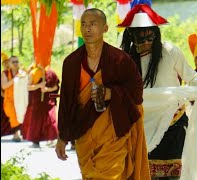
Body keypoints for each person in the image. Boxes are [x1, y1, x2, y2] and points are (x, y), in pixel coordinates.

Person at [55, 8, 150, 180]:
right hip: (84, 133)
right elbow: (66, 101)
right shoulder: (71, 63)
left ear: (105, 28)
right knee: (91, 175)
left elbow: (137, 92)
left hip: (113, 131)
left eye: (93, 24)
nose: (87, 29)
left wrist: (112, 93)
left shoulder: (120, 60)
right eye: (83, 24)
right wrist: (62, 136)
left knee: (111, 174)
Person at [118, 4, 197, 179]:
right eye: (140, 38)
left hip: (172, 122)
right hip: (141, 126)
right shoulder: (124, 59)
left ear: (156, 33)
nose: (146, 43)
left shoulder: (170, 51)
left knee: (173, 174)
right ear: (131, 35)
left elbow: (192, 77)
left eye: (149, 37)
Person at [22, 64, 59, 148]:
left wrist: (47, 89)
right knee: (36, 122)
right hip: (36, 102)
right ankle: (35, 141)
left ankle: (52, 139)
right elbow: (28, 87)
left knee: (51, 119)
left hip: (48, 102)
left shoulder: (51, 72)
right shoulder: (34, 72)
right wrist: (38, 85)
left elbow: (56, 87)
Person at [1, 56, 25, 142]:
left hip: (21, 98)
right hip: (9, 99)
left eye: (16, 62)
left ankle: (17, 134)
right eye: (13, 62)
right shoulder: (5, 73)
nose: (15, 64)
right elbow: (4, 86)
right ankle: (17, 133)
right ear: (9, 64)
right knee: (13, 114)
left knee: (20, 114)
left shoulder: (22, 72)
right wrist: (15, 79)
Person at [1, 52, 14, 137]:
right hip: (3, 97)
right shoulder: (3, 74)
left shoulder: (13, 73)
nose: (6, 65)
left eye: (7, 63)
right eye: (4, 63)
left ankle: (13, 132)